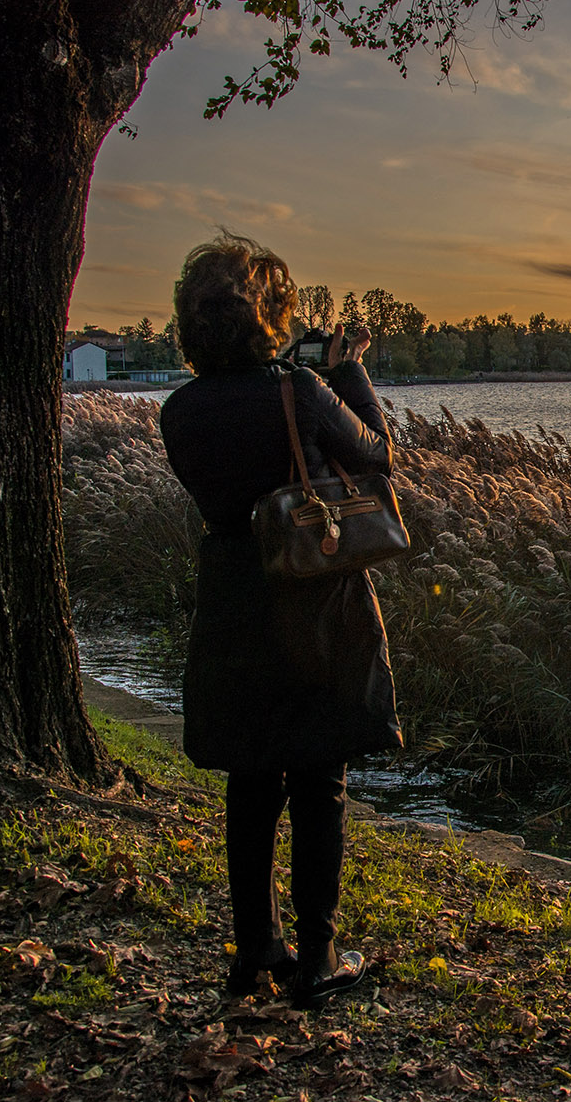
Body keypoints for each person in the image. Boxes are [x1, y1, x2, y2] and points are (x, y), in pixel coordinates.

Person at [159, 234, 402, 1006]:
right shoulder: (298, 388)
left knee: (251, 779)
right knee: (317, 778)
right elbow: (376, 453)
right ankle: (319, 956)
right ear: (268, 315)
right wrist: (349, 368)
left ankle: (255, 949)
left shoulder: (179, 410)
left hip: (234, 602)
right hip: (313, 606)